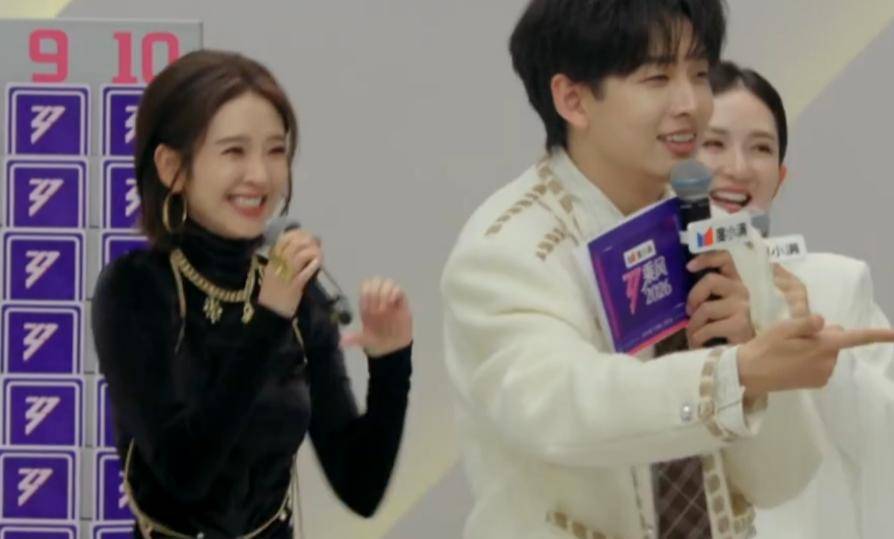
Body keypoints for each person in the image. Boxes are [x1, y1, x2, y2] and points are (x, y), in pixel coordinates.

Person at [440, 1, 894, 538]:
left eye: (699, 74)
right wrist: (734, 374)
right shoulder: (506, 250)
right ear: (573, 99)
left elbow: (780, 482)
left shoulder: (722, 234)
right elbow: (560, 406)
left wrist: (754, 357)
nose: (690, 104)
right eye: (657, 78)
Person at [91, 50, 413, 539]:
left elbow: (359, 487)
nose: (260, 176)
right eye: (234, 152)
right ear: (172, 166)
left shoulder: (299, 294)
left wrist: (391, 362)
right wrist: (269, 318)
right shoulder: (135, 288)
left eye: (275, 151)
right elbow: (184, 474)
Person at [699, 60, 894, 539]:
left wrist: (825, 364)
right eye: (714, 143)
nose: (738, 168)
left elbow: (885, 435)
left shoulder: (834, 284)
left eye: (761, 148)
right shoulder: (639, 291)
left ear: (780, 176)